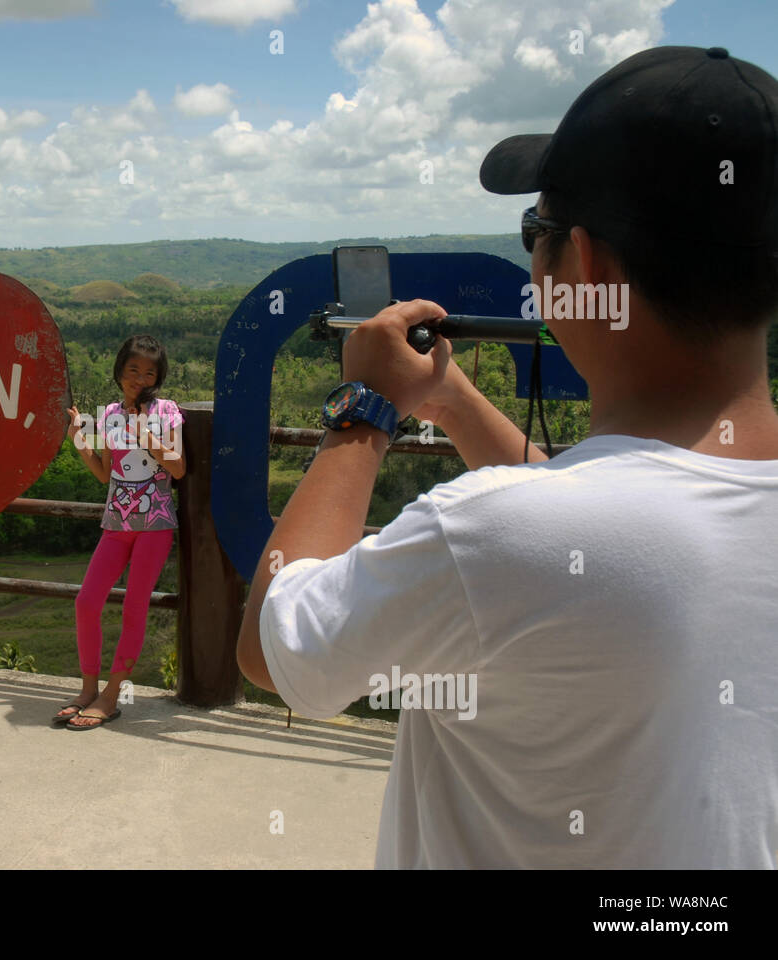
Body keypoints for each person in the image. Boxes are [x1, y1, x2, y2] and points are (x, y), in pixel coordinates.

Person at [237, 46, 778, 867]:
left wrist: (363, 414)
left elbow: (277, 646)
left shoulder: (488, 535)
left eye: (539, 229)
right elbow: (607, 529)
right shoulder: (555, 532)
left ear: (585, 263)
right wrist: (450, 399)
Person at [57, 335, 186, 729]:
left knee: (134, 608)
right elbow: (105, 473)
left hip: (155, 526)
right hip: (116, 524)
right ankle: (87, 688)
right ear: (120, 371)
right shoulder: (110, 414)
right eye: (133, 370)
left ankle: (111, 695)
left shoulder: (167, 411)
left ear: (158, 377)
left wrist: (147, 435)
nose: (140, 379)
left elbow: (178, 469)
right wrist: (79, 439)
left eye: (150, 372)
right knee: (87, 602)